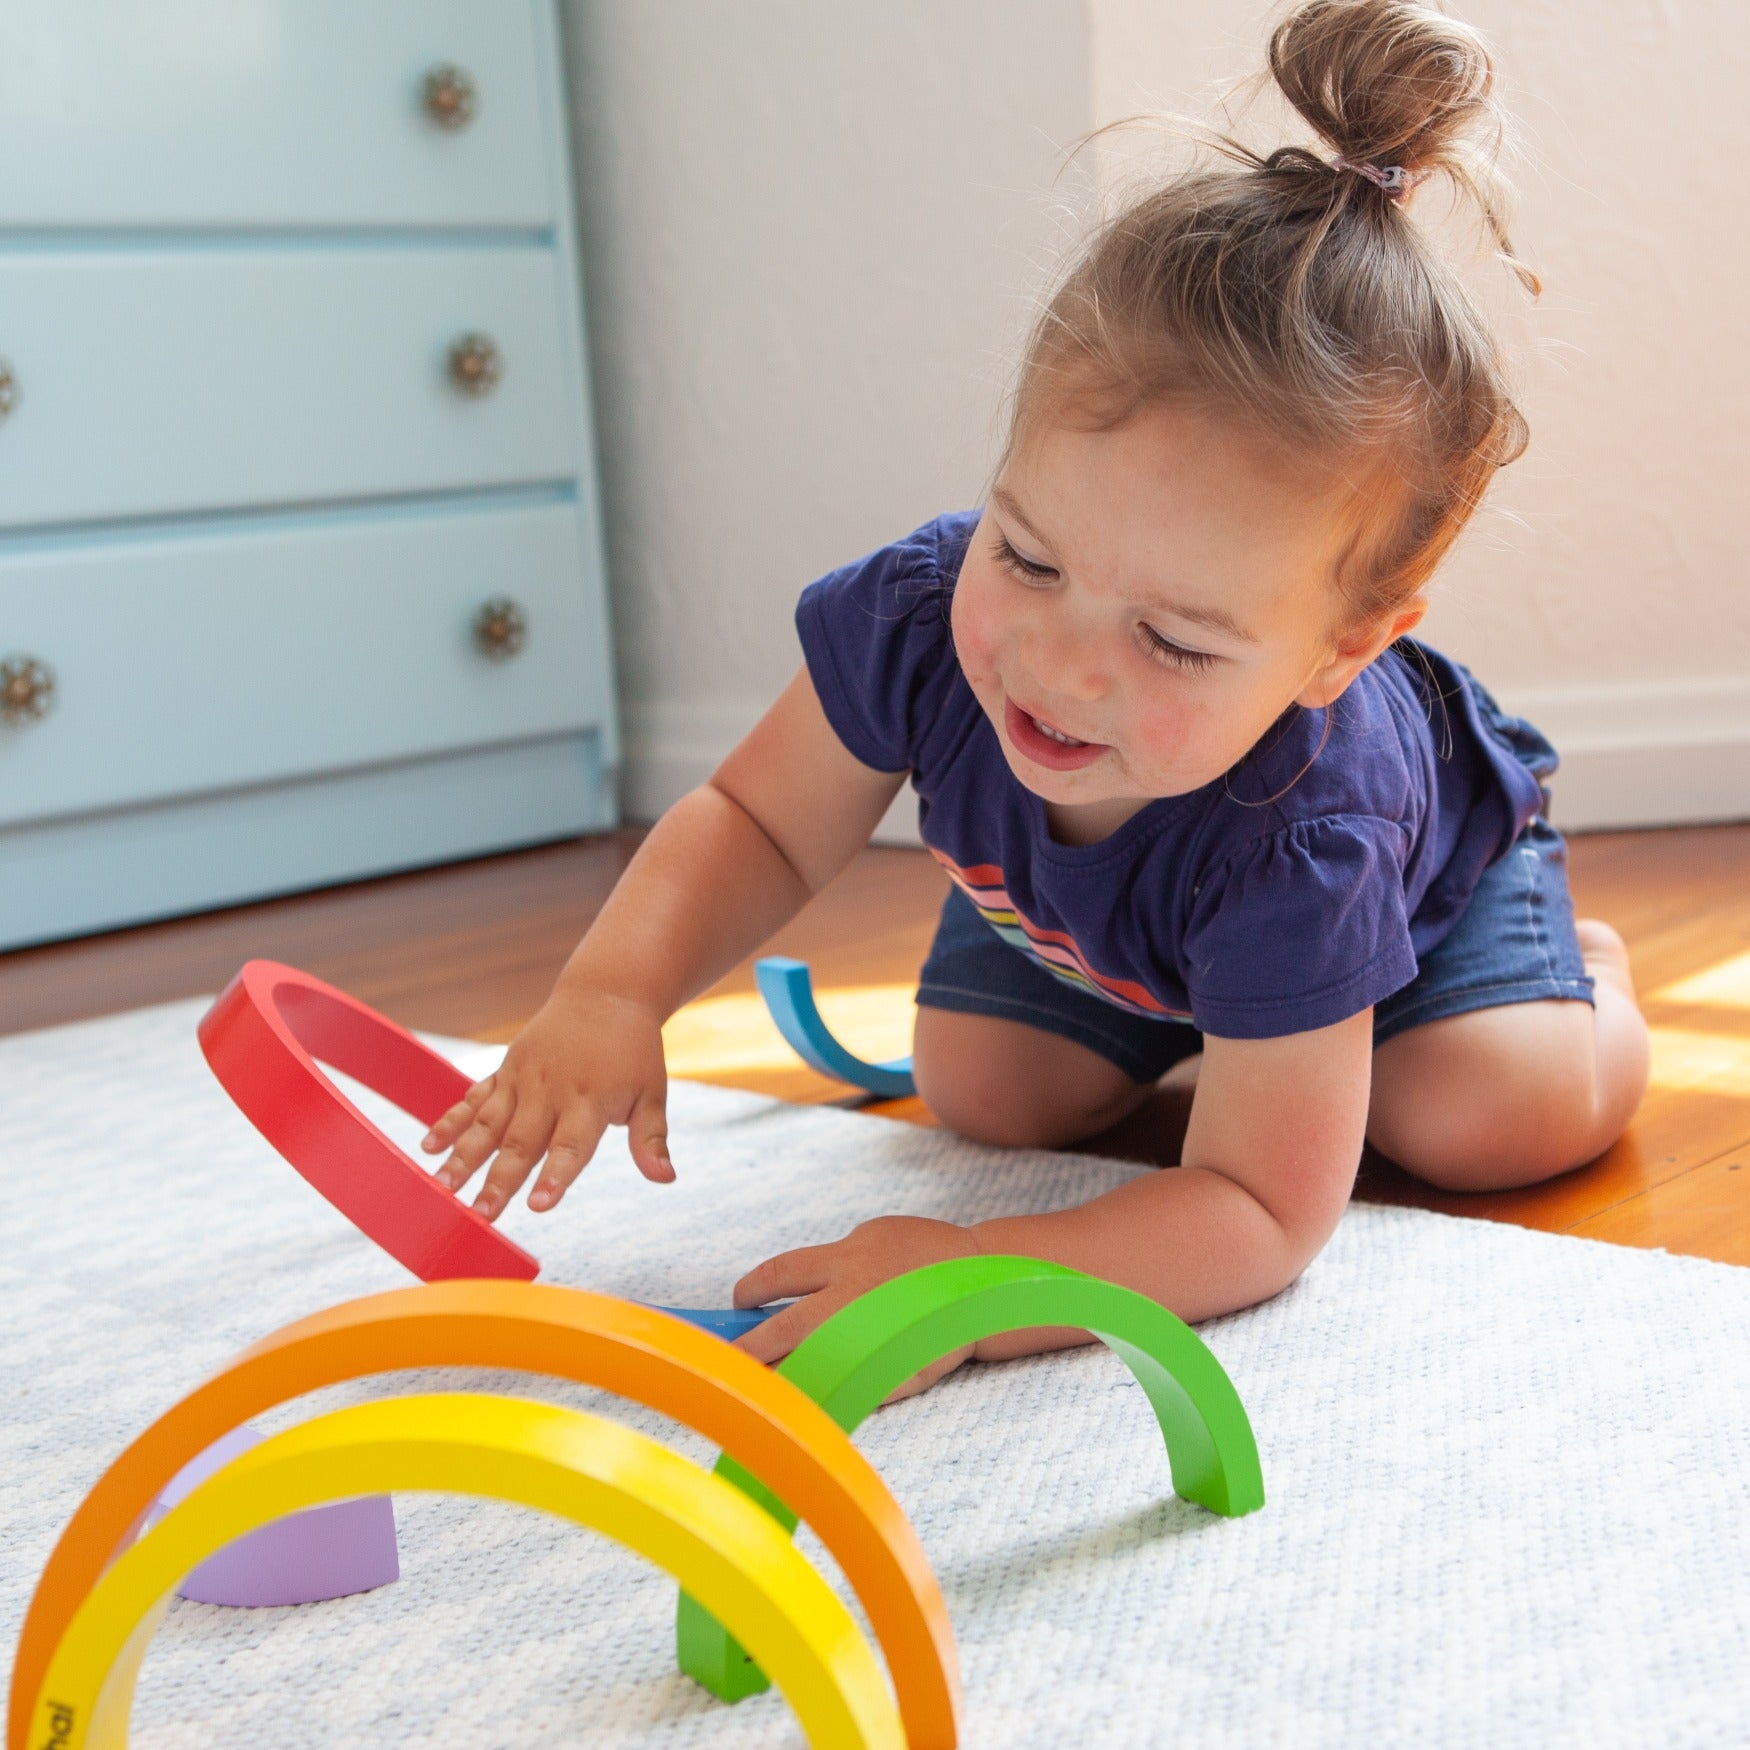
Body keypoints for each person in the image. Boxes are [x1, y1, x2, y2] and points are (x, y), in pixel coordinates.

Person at [422, 0, 1649, 1389]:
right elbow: (757, 823)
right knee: (987, 1093)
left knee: (1483, 1117)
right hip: (1137, 919)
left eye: (1174, 642)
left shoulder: (1316, 823)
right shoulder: (917, 613)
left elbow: (1257, 1211)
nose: (1060, 667)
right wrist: (611, 990)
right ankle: (1232, 1018)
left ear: (1336, 652)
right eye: (1027, 553)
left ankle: (1571, 981)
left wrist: (983, 1279)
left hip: (1417, 913)